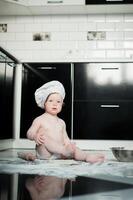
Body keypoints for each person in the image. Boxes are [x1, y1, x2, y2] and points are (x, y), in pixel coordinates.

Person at [22, 80, 105, 163]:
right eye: (51, 101)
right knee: (44, 137)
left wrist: (70, 147)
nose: (55, 104)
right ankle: (63, 150)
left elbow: (65, 138)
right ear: (44, 104)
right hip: (45, 153)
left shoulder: (61, 122)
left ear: (62, 104)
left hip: (61, 153)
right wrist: (35, 136)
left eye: (58, 102)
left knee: (74, 149)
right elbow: (29, 133)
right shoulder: (39, 119)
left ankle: (87, 156)